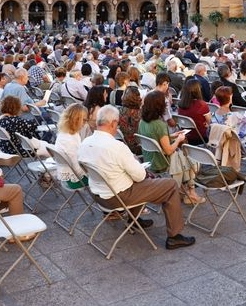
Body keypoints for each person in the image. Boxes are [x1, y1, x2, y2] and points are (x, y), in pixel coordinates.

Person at [78, 105, 196, 250]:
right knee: (170, 185)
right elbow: (140, 176)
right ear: (113, 123)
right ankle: (174, 236)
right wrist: (136, 165)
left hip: (98, 195)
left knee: (133, 179)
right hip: (118, 197)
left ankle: (135, 220)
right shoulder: (115, 146)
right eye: (118, 124)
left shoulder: (85, 143)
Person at [138, 90, 204, 204]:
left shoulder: (142, 122)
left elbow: (156, 140)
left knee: (186, 159)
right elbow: (168, 150)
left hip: (150, 160)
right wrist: (179, 139)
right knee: (194, 160)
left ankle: (186, 191)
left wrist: (172, 135)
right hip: (163, 163)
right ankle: (191, 193)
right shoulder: (160, 125)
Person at [53, 104, 90, 188]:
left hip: (69, 174)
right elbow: (77, 168)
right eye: (84, 120)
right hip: (75, 179)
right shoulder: (70, 139)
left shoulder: (65, 132)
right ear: (76, 120)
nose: (85, 123)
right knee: (105, 179)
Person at [176, 79, 211, 145]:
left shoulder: (180, 104)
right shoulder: (202, 105)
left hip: (186, 136)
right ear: (198, 90)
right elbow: (209, 121)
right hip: (201, 137)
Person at [117, 86, 143, 155]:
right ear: (137, 98)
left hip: (122, 146)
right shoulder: (140, 114)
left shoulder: (118, 111)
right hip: (136, 148)